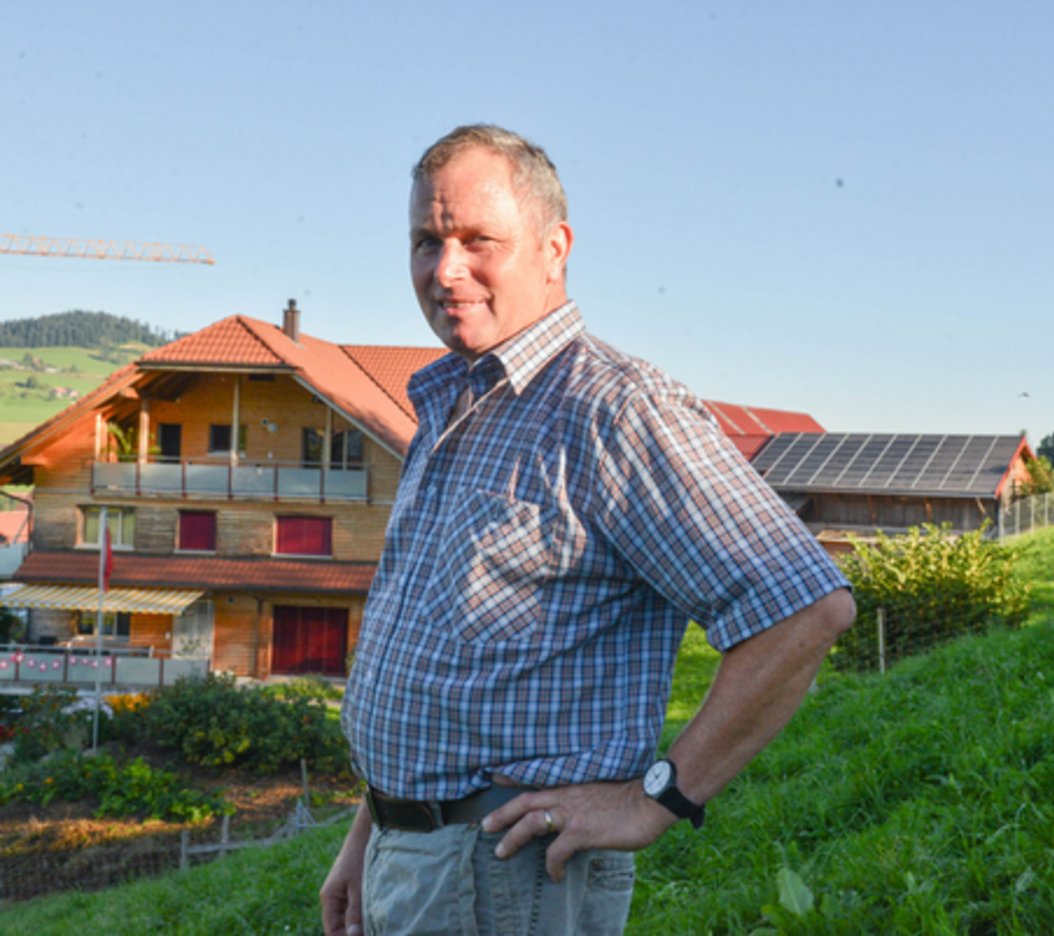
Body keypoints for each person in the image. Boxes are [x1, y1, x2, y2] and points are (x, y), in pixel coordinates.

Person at [320, 124, 855, 936]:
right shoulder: (454, 404)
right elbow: (435, 661)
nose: (446, 268)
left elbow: (805, 609)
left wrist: (658, 800)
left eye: (477, 240)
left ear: (553, 247)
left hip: (507, 873)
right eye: (427, 241)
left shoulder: (612, 409)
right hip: (418, 853)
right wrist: (375, 830)